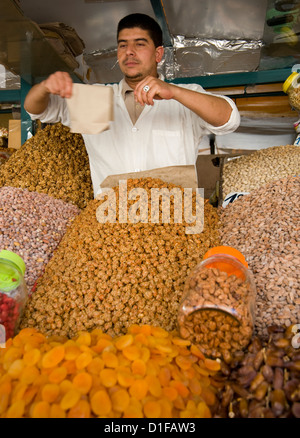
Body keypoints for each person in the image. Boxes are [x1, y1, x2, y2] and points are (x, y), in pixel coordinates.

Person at [24, 13, 240, 197]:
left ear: (158, 54)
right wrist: (43, 87)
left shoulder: (184, 97)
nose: (129, 52)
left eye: (139, 44)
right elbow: (37, 109)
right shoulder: (96, 99)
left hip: (175, 225)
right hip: (112, 226)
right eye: (122, 45)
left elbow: (229, 119)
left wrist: (174, 92)